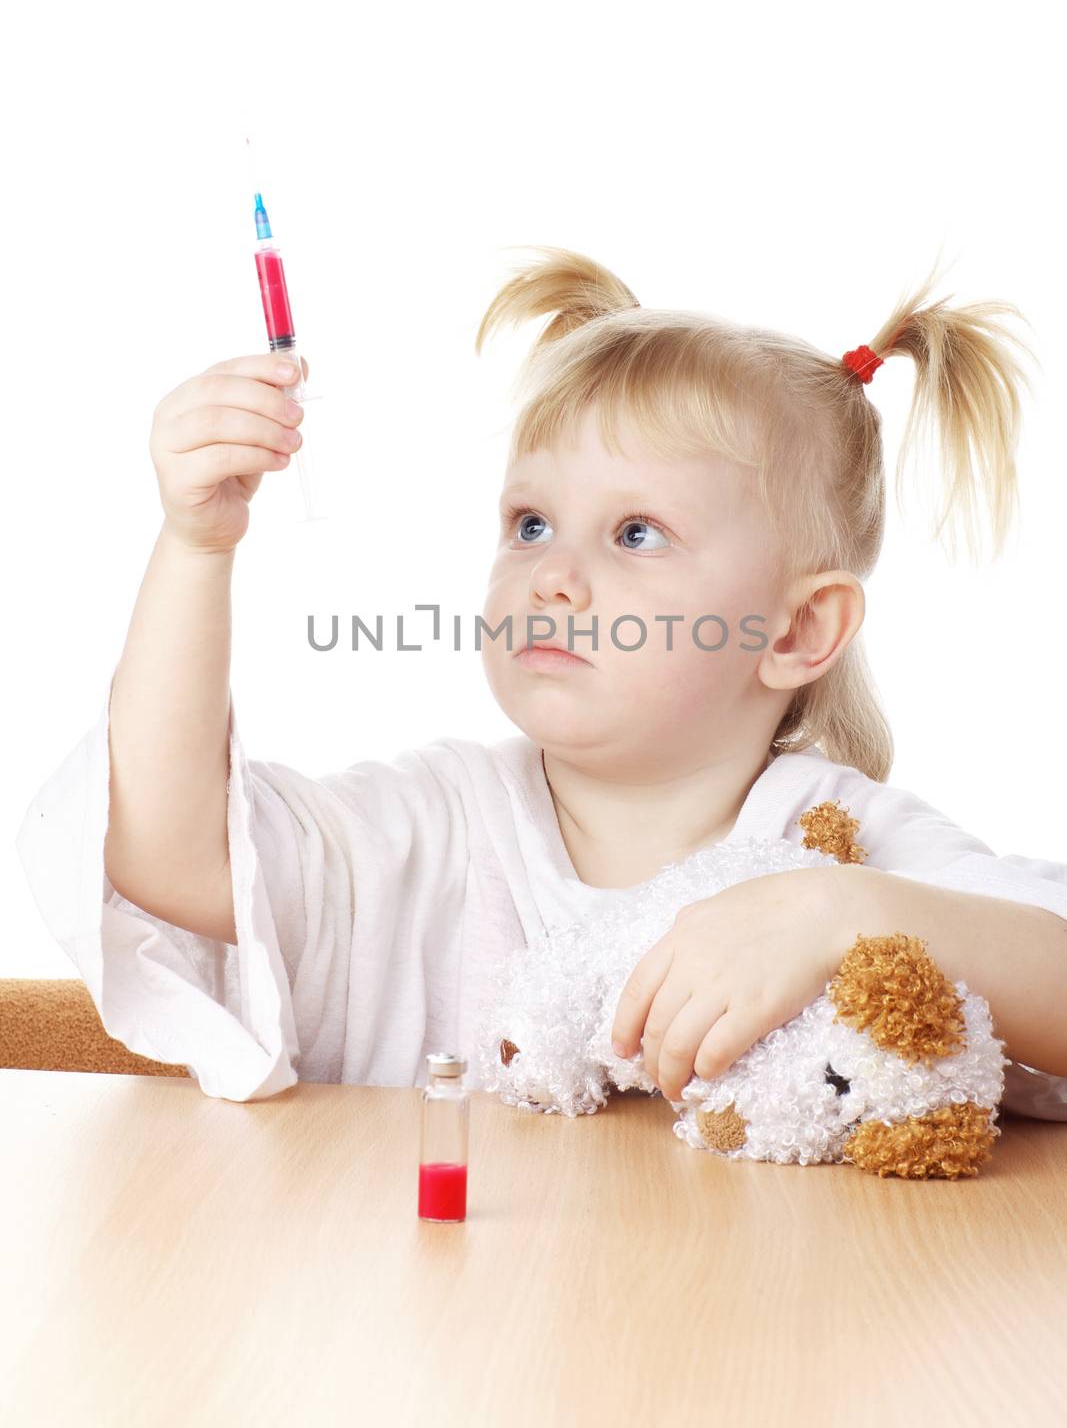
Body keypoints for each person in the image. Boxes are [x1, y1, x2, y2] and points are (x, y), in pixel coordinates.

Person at [15, 247, 1067, 1115]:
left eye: (636, 532)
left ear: (795, 629)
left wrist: (842, 912)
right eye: (529, 523)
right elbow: (168, 852)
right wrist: (196, 548)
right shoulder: (434, 827)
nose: (552, 577)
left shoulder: (841, 848)